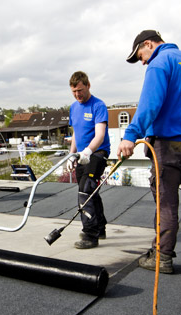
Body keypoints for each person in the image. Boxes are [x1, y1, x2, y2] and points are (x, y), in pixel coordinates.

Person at [117, 30, 181, 278]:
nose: (142, 62)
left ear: (149, 44)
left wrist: (130, 135)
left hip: (168, 145)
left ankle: (162, 258)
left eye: (140, 55)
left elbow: (150, 104)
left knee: (167, 204)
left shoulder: (159, 64)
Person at [68, 71, 111, 249]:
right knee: (90, 191)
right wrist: (72, 154)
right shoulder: (73, 107)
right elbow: (76, 134)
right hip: (82, 154)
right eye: (74, 92)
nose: (78, 94)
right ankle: (100, 227)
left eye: (80, 90)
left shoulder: (98, 106)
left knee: (86, 190)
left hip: (97, 153)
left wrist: (88, 151)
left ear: (88, 85)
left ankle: (90, 234)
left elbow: (100, 135)